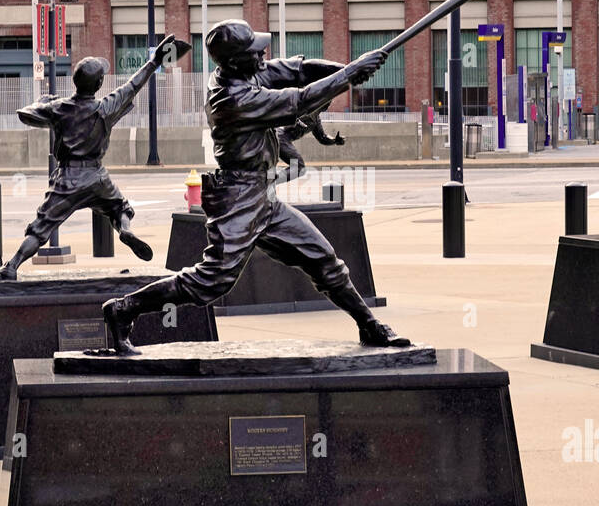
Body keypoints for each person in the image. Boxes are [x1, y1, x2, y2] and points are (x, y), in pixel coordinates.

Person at [100, 19, 410, 354]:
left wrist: (346, 68)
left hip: (263, 196)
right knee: (211, 281)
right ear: (235, 61)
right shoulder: (232, 99)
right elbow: (300, 100)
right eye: (254, 50)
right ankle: (123, 309)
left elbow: (297, 70)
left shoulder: (244, 72)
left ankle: (369, 325)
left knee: (323, 260)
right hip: (236, 199)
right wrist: (350, 75)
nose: (262, 54)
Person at [0, 38, 190, 279]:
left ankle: (12, 266)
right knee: (120, 208)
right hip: (97, 176)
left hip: (68, 177)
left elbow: (25, 116)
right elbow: (133, 85)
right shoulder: (105, 107)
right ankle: (125, 230)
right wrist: (154, 61)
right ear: (99, 83)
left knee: (42, 227)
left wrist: (42, 104)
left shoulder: (60, 108)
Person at [275, 111, 344, 185]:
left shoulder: (316, 119)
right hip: (280, 136)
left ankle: (269, 186)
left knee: (298, 167)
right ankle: (269, 183)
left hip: (281, 138)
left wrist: (335, 141)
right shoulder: (304, 108)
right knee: (299, 167)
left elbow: (322, 137)